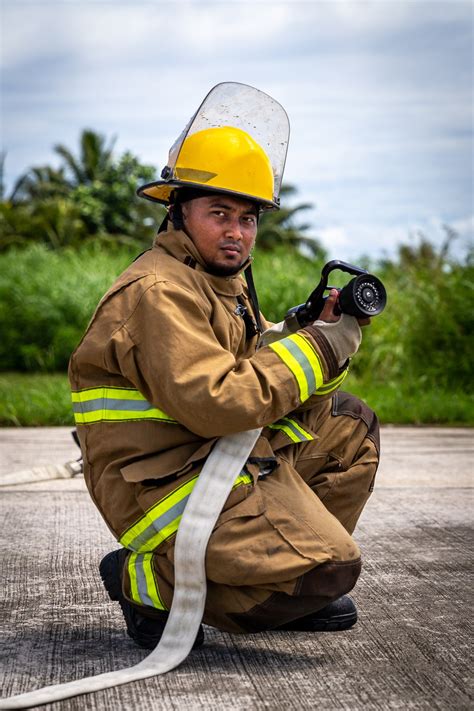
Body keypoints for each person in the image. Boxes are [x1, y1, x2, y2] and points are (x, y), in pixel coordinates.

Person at [68, 118, 379, 651]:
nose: (236, 232)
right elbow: (221, 401)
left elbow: (254, 371)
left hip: (219, 457)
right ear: (178, 212)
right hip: (162, 485)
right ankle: (147, 584)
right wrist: (324, 346)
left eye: (248, 218)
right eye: (219, 214)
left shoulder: (218, 285)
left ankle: (276, 578)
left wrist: (305, 335)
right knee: (331, 569)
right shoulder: (158, 291)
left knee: (350, 427)